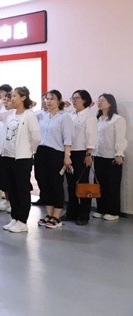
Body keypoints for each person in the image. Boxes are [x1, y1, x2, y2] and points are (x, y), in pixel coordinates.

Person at [0, 86, 41, 233]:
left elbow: (36, 137)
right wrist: (1, 103)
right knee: (12, 189)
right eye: (11, 96)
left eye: (14, 96)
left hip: (22, 158)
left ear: (23, 98)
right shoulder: (10, 113)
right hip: (7, 156)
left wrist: (28, 150)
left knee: (22, 189)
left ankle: (22, 221)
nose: (11, 98)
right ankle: (14, 218)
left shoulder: (29, 115)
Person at [35, 90, 73, 229]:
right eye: (47, 99)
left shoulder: (64, 117)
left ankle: (56, 216)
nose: (48, 101)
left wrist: (67, 156)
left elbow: (67, 138)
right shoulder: (41, 115)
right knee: (43, 183)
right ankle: (49, 214)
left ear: (59, 101)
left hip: (56, 153)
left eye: (52, 99)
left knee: (55, 184)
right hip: (41, 151)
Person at [93, 93, 127, 221]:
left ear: (110, 103)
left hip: (112, 157)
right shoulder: (97, 119)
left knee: (112, 185)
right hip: (98, 155)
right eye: (98, 100)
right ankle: (101, 209)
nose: (99, 102)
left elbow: (120, 138)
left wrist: (119, 153)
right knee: (99, 184)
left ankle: (113, 211)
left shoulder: (117, 119)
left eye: (102, 100)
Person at [65, 90, 97, 225]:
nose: (74, 100)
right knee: (71, 184)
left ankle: (84, 215)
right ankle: (71, 212)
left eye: (77, 98)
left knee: (82, 184)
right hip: (69, 152)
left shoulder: (89, 116)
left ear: (84, 100)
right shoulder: (70, 114)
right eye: (72, 98)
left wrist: (89, 154)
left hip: (82, 153)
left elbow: (91, 136)